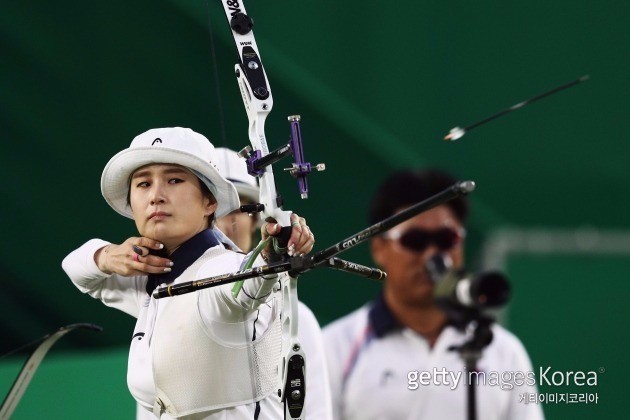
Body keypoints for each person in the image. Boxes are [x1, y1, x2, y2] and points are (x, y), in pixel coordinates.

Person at [62, 127, 314, 419]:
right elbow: (75, 268)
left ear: (210, 202)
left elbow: (246, 283)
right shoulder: (149, 277)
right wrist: (106, 256)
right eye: (143, 184)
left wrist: (273, 252)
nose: (156, 195)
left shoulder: (219, 268)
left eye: (174, 180)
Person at [323, 169, 544, 420]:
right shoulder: (335, 348)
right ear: (379, 248)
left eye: (446, 239)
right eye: (414, 240)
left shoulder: (504, 352)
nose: (432, 256)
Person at [213, 147, 333, 420]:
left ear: (257, 218)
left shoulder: (297, 317)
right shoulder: (159, 296)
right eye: (211, 207)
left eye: (236, 209)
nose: (218, 224)